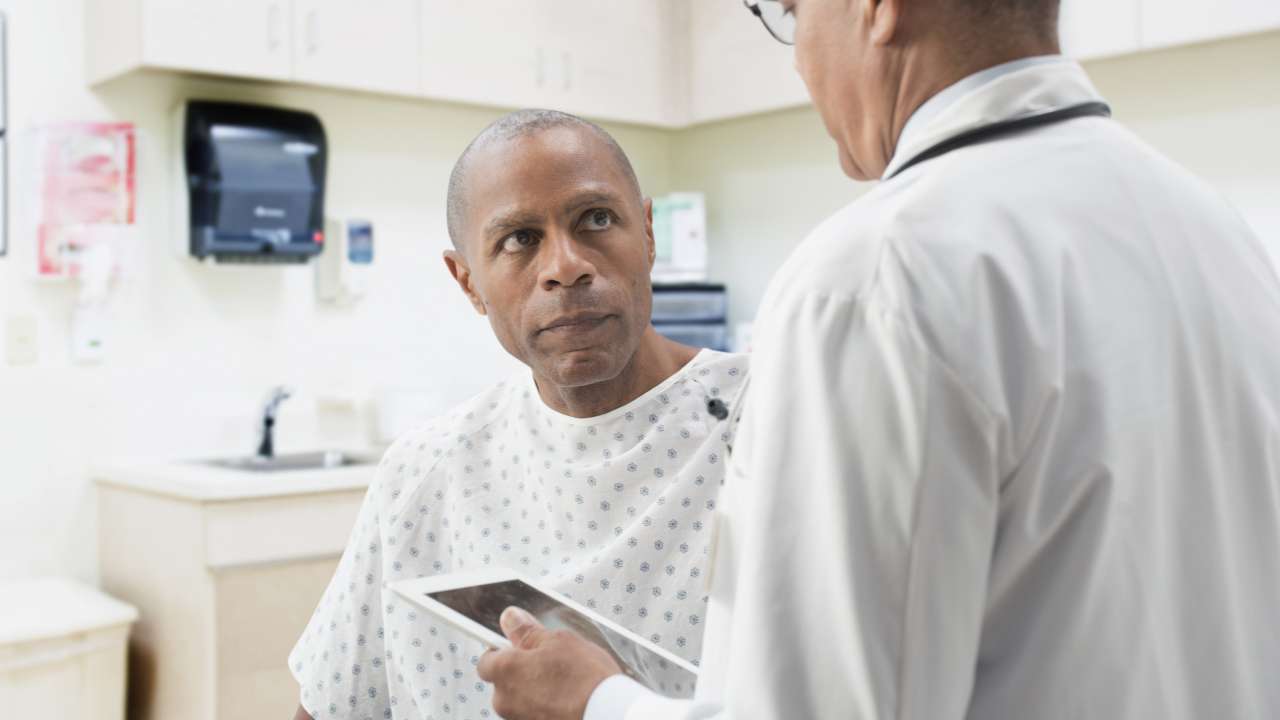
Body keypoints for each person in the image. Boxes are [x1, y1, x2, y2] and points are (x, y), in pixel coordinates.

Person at [475, 0, 1280, 718]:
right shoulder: (1214, 231)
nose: (799, 61)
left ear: (877, 8)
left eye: (794, 13)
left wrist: (599, 702)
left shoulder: (872, 280)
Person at [288, 110, 749, 720]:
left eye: (597, 219)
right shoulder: (422, 477)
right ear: (467, 282)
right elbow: (333, 704)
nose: (565, 266)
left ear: (647, 234)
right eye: (519, 239)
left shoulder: (769, 422)